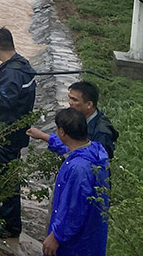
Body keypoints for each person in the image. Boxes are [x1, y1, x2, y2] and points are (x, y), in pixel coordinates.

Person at [0, 26, 36, 239]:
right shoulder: (20, 65)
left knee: (5, 179)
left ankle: (10, 226)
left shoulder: (12, 73)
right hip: (15, 132)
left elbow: (5, 101)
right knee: (4, 175)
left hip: (6, 133)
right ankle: (0, 216)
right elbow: (12, 94)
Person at [41, 107, 109, 256]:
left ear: (63, 132)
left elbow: (75, 208)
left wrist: (56, 236)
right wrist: (43, 136)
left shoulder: (79, 168)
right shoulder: (95, 152)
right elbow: (67, 148)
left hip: (74, 244)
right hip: (90, 238)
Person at [27, 80, 119, 159]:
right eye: (69, 98)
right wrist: (43, 136)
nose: (70, 103)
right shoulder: (80, 119)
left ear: (89, 104)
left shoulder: (101, 132)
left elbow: (92, 158)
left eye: (75, 100)